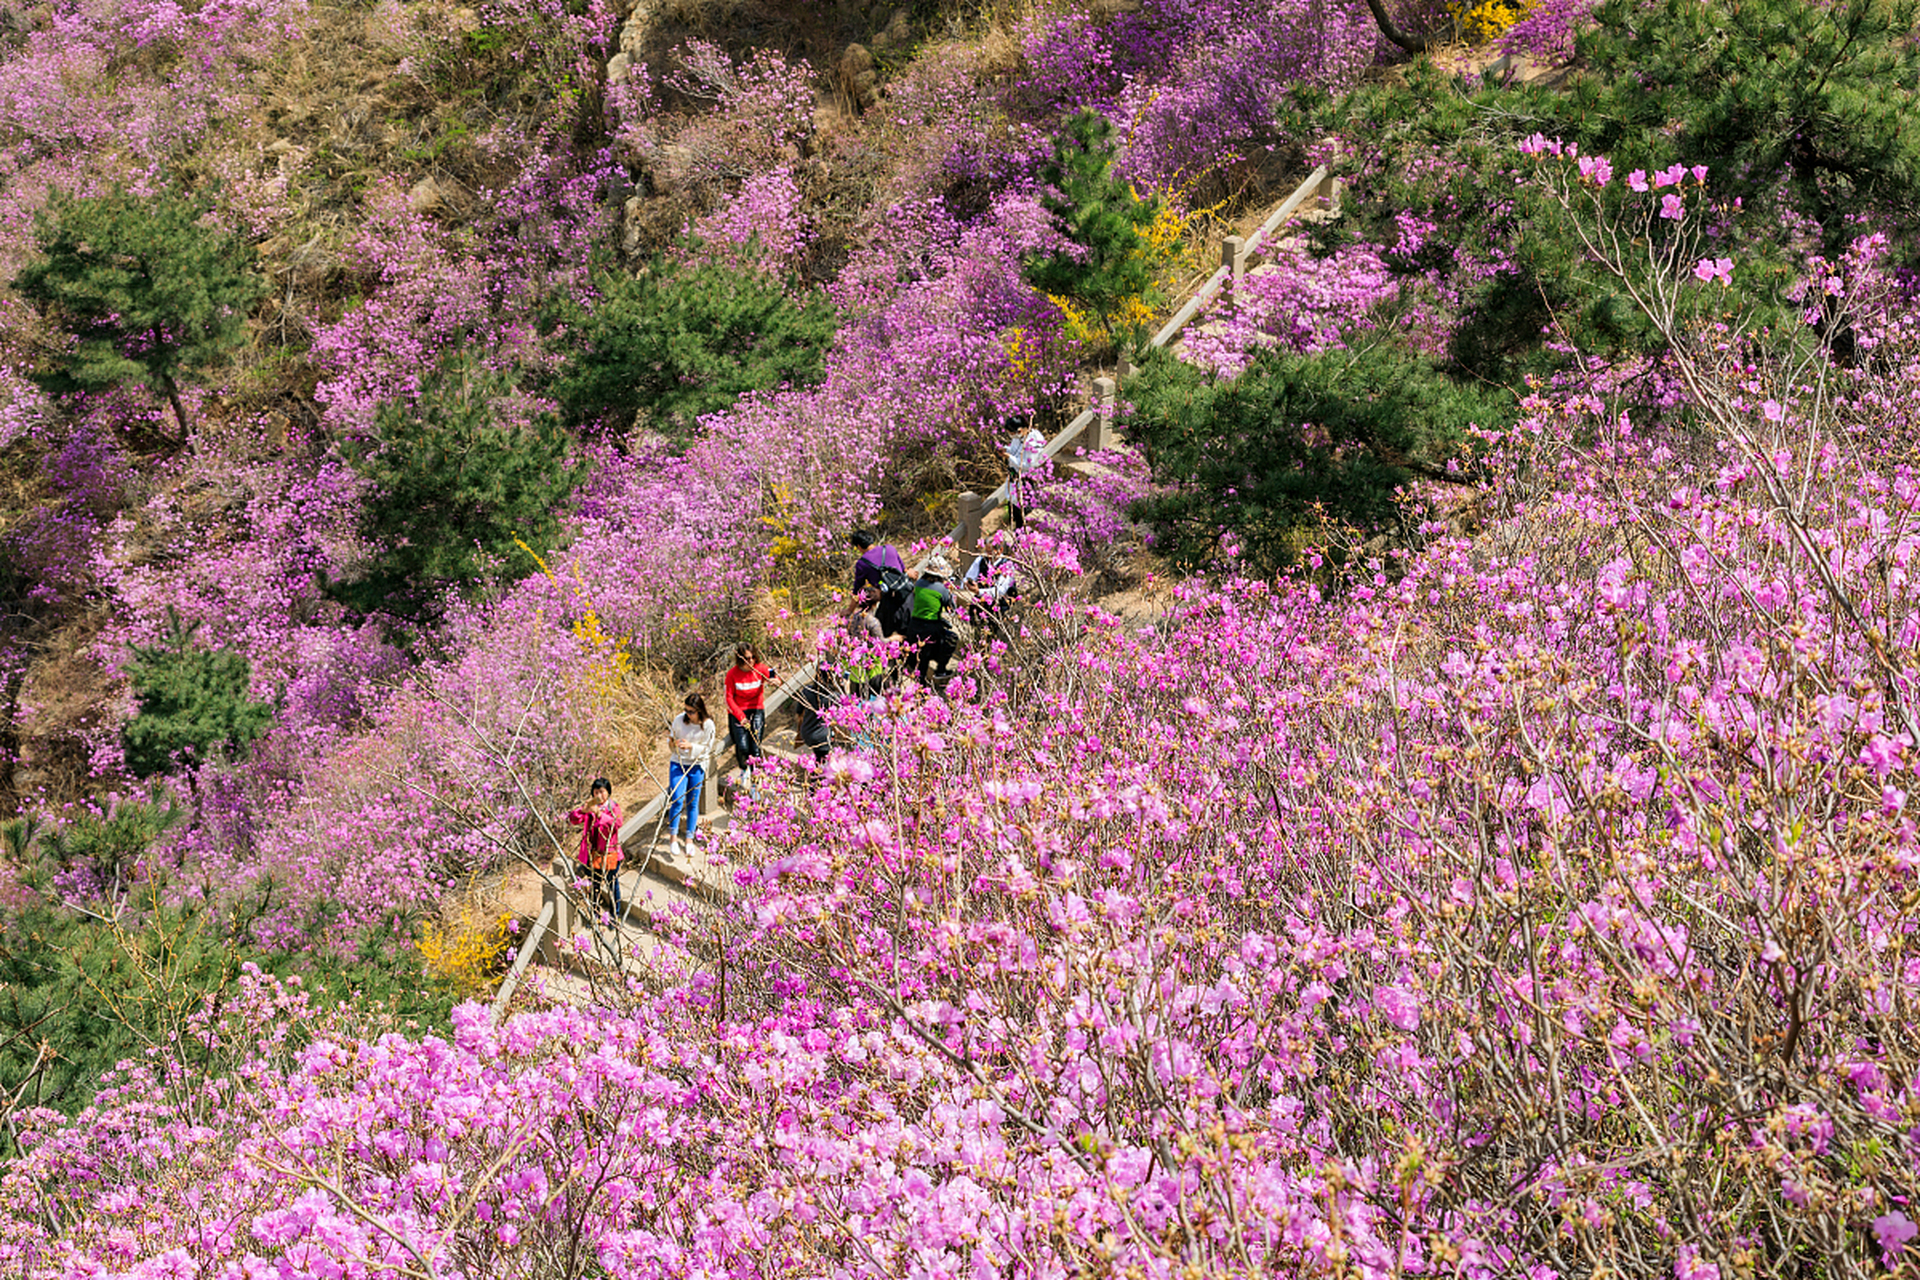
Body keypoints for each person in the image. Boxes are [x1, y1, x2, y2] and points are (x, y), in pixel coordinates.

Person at [901, 554, 967, 685]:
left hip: (913, 625)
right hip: (931, 627)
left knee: (920, 661)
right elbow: (951, 607)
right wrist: (951, 593)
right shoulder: (941, 589)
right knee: (951, 639)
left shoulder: (919, 583)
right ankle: (940, 669)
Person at [665, 693, 716, 856]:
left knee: (693, 803)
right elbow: (670, 741)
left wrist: (691, 747)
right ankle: (672, 837)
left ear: (699, 711)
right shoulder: (680, 720)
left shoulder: (708, 725)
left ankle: (689, 839)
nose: (688, 714)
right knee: (677, 799)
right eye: (686, 710)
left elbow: (707, 749)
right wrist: (673, 744)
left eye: (691, 711)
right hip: (678, 763)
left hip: (696, 764)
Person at [567, 776, 624, 917]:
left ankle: (615, 914)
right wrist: (583, 810)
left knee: (612, 885)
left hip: (611, 853)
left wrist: (599, 814)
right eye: (596, 792)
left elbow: (617, 824)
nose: (599, 795)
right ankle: (595, 914)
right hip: (594, 853)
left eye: (602, 792)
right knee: (595, 885)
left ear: (608, 792)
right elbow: (573, 819)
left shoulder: (613, 807)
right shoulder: (591, 807)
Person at [723, 643, 776, 783]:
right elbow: (728, 698)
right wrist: (740, 717)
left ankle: (756, 774)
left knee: (755, 743)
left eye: (753, 657)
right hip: (738, 710)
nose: (751, 661)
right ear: (740, 658)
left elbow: (773, 674)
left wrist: (775, 680)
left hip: (756, 707)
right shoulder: (732, 674)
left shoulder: (760, 669)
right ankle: (744, 768)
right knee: (742, 745)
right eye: (747, 658)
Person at [849, 528, 908, 634]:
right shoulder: (889, 548)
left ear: (858, 546)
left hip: (890, 603)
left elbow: (858, 590)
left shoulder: (862, 564)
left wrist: (849, 610)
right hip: (907, 594)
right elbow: (904, 570)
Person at [1004, 415, 1047, 529]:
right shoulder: (1018, 437)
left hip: (1025, 479)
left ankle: (1023, 533)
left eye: (1013, 433)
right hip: (1014, 477)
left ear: (1020, 430)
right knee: (1013, 507)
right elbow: (1015, 451)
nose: (1012, 436)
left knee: (1023, 509)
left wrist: (1009, 457)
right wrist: (1006, 450)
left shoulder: (1034, 440)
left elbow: (1028, 464)